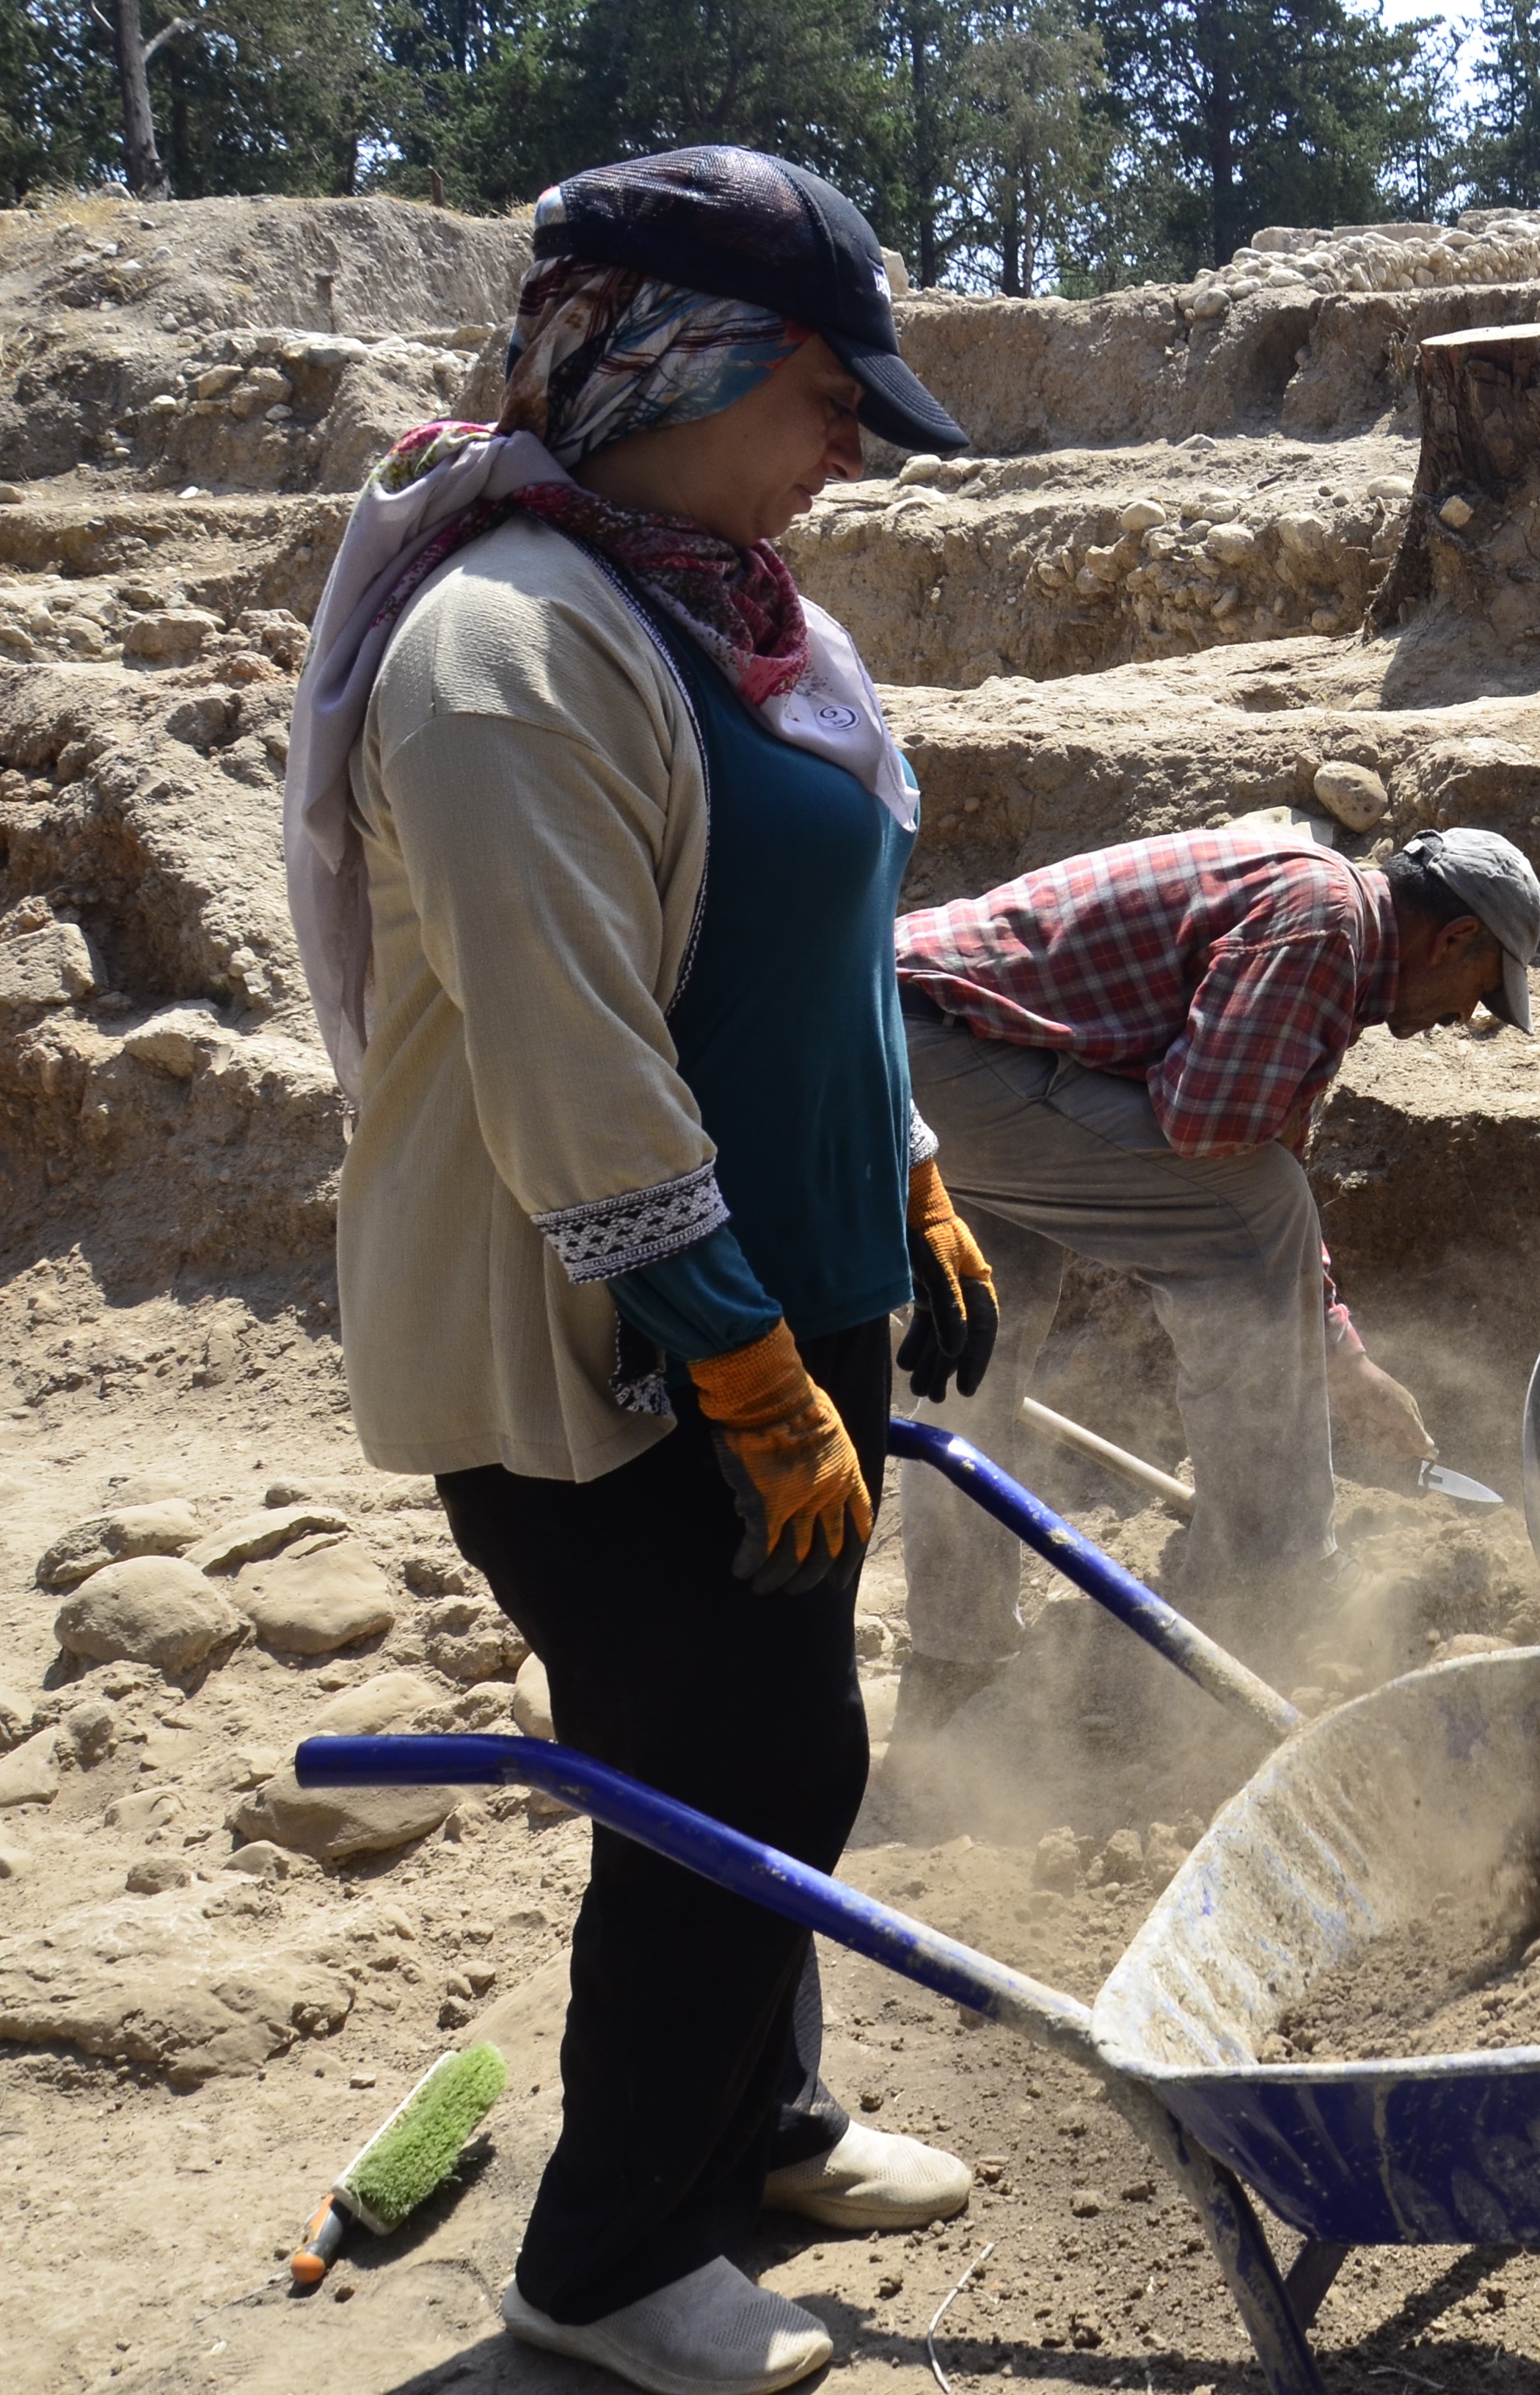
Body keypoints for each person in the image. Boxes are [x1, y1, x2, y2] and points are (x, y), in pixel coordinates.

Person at [283, 147, 1002, 2395]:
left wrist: (905, 1168)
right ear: (681, 366)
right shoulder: (509, 650)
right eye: (822, 394)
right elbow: (573, 1058)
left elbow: (821, 953)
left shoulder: (734, 603)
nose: (857, 448)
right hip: (612, 1348)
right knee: (737, 1763)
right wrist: (734, 1359)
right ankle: (607, 2267)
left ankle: (760, 2115)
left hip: (787, 1296)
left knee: (761, 1755)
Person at [886, 824, 1540, 1722]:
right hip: (922, 1051)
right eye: (1482, 992)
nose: (1468, 1015)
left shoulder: (1327, 931)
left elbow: (1256, 1144)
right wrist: (1303, 1332)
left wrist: (1341, 1356)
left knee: (981, 1344)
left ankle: (951, 1666)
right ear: (1456, 937)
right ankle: (1271, 1588)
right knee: (1259, 1207)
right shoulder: (1321, 928)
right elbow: (1209, 1136)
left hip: (907, 1043)